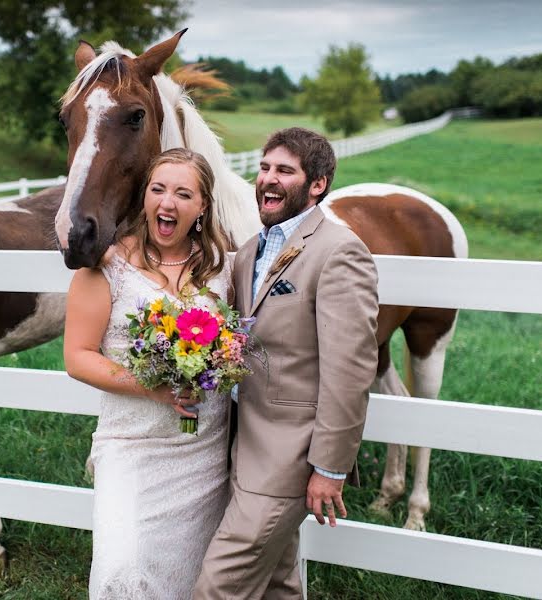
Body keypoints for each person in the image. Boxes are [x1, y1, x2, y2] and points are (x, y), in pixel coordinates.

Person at [193, 128, 379, 599]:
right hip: (243, 444)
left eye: (284, 171)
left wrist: (330, 469)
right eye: (263, 168)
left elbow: (350, 369)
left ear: (317, 184)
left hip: (288, 456)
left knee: (220, 585)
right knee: (278, 583)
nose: (267, 180)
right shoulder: (251, 249)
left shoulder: (339, 251)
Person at [64, 148, 234, 599]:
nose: (167, 203)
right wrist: (152, 387)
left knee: (190, 575)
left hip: (203, 454)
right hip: (130, 447)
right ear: (144, 199)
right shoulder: (108, 268)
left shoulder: (222, 271)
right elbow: (77, 356)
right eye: (158, 189)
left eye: (183, 193)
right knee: (121, 569)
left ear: (202, 208)